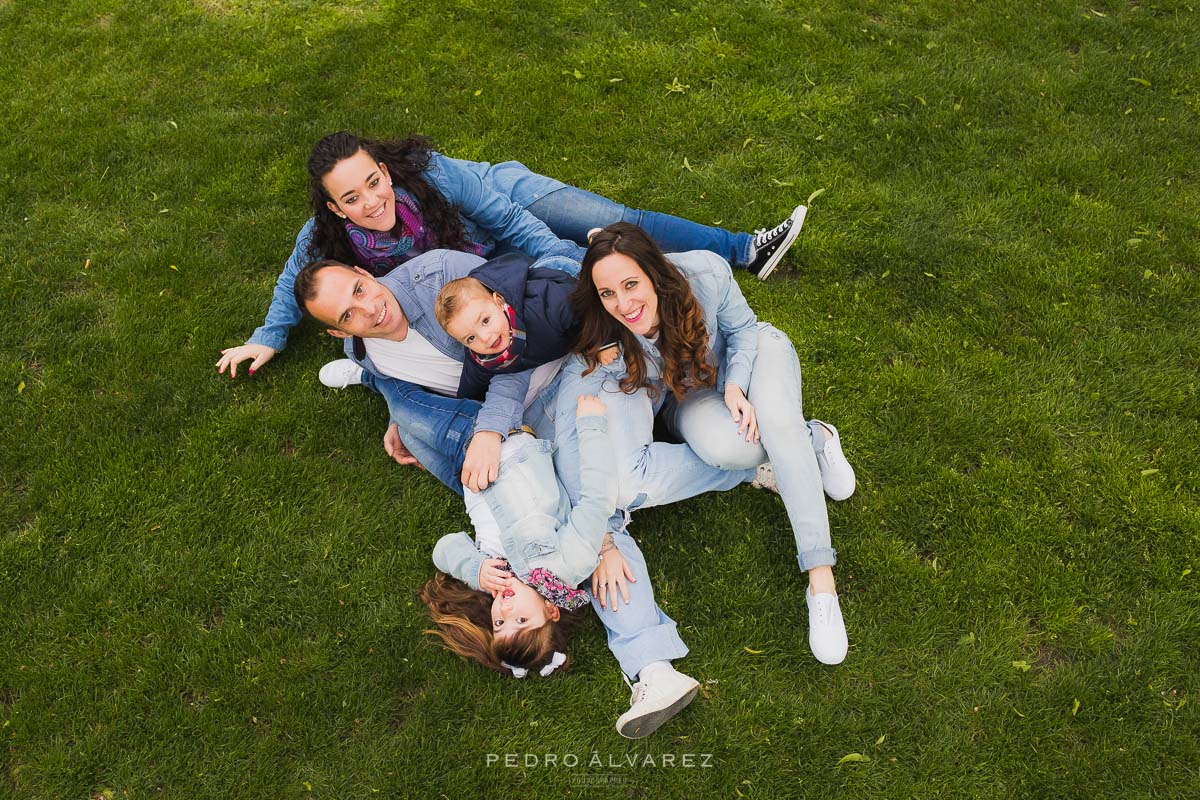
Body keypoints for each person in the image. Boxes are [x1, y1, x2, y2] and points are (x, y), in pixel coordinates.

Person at [216, 131, 807, 379]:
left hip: (504, 199)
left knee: (609, 228)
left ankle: (743, 250)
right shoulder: (329, 237)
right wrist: (269, 335)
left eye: (374, 181)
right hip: (488, 265)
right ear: (337, 209)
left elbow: (510, 221)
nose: (372, 201)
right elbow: (299, 277)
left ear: (383, 168)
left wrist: (581, 272)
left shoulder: (431, 176)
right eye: (352, 197)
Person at [554, 223, 857, 665]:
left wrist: (736, 385)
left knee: (775, 422)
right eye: (608, 293)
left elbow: (745, 329)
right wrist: (599, 533)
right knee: (739, 448)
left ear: (654, 272)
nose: (623, 304)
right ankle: (814, 437)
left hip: (750, 357)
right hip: (690, 398)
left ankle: (821, 581)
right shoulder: (607, 338)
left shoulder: (707, 273)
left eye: (631, 284)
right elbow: (576, 418)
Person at [424, 395, 704, 738]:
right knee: (607, 569)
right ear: (551, 610)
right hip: (540, 466)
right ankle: (654, 670)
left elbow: (448, 547)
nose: (508, 608)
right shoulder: (560, 576)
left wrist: (603, 543)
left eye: (500, 621)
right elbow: (591, 502)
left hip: (514, 456)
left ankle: (654, 669)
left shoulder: (497, 572)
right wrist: (601, 546)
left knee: (628, 494)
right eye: (520, 620)